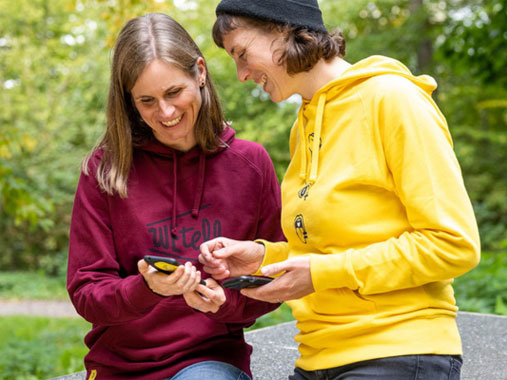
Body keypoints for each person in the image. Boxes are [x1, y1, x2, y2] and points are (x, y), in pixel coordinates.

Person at [199, 1, 481, 379]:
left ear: (283, 29)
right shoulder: (303, 127)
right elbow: (322, 253)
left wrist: (321, 274)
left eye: (242, 54)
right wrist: (261, 258)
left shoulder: (393, 99)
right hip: (318, 357)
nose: (241, 74)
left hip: (399, 349)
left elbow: (453, 243)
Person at [67, 12, 284, 380]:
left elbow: (275, 279)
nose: (165, 112)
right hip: (118, 367)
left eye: (173, 93)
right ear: (128, 100)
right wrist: (146, 288)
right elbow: (87, 292)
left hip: (208, 362)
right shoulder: (105, 171)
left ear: (199, 72)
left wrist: (225, 303)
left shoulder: (250, 164)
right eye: (147, 101)